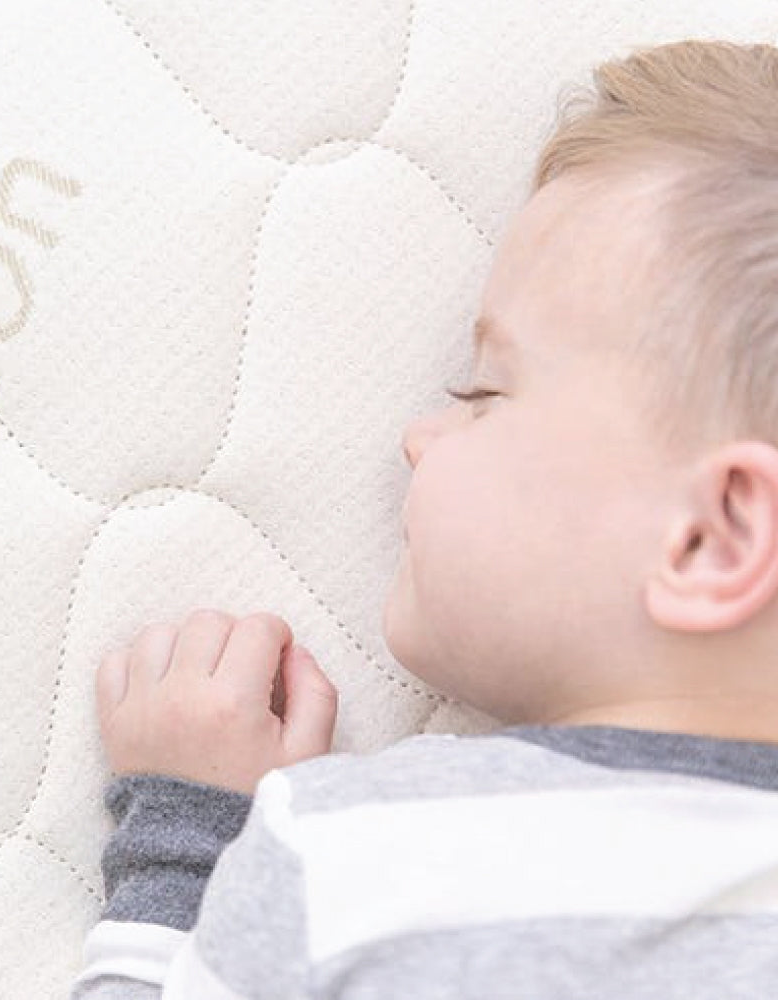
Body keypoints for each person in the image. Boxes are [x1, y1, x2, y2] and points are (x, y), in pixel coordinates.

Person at [70, 39, 778, 998]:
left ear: (713, 536)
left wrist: (189, 839)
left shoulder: (354, 854)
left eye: (484, 392)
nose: (418, 437)